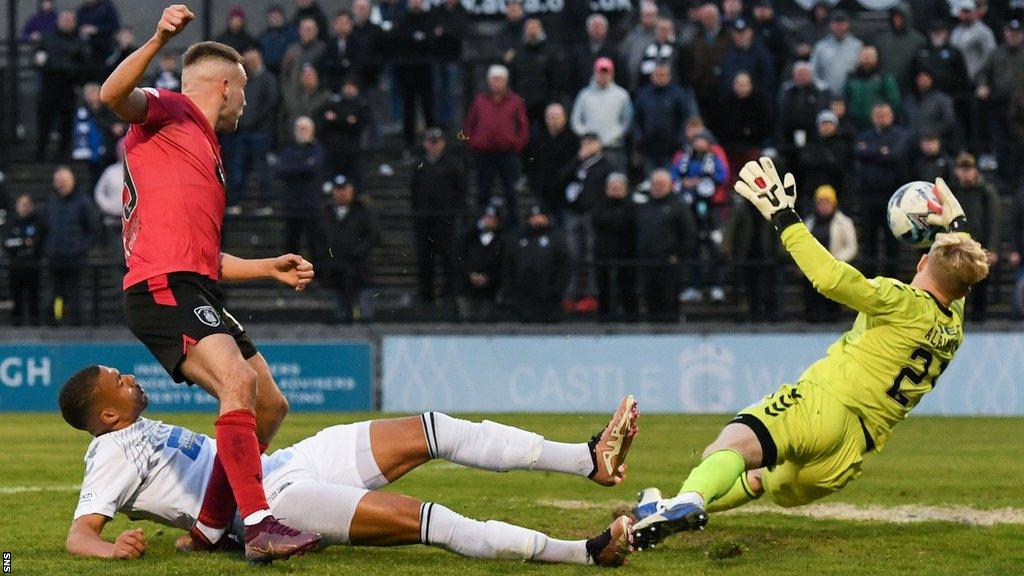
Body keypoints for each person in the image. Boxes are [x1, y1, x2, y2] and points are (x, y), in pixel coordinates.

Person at [630, 157, 990, 550]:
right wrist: (957, 229)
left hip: (826, 405)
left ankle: (689, 499)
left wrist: (784, 216)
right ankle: (671, 509)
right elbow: (959, 275)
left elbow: (830, 277)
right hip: (850, 453)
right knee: (760, 477)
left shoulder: (901, 300)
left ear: (921, 260)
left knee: (729, 447)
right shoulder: (953, 326)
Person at [99, 6, 319, 561]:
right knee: (236, 384)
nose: (245, 104)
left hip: (191, 282)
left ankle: (212, 526)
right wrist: (157, 39)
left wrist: (265, 265)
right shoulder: (171, 112)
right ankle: (261, 523)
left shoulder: (202, 149)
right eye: (243, 91)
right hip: (160, 286)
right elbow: (111, 95)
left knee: (269, 404)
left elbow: (203, 257)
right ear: (226, 85)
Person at [59, 365, 637, 566]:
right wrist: (113, 549)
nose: (130, 377)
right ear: (106, 415)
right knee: (429, 520)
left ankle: (588, 460)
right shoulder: (110, 453)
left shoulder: (133, 431)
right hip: (273, 505)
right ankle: (586, 552)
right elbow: (78, 535)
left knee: (434, 428)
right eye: (119, 380)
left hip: (285, 463)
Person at [464, 65, 530, 229]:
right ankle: (480, 224)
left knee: (511, 192)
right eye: (494, 79)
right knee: (482, 192)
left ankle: (513, 226)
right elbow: (467, 126)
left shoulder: (515, 101)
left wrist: (517, 144)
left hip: (507, 153)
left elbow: (523, 127)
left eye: (500, 79)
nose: (496, 83)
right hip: (484, 153)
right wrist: (471, 142)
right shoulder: (479, 100)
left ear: (506, 81)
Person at [411, 128, 468, 306]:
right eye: (430, 141)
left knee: (448, 258)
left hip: (445, 219)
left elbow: (462, 191)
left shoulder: (452, 165)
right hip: (425, 220)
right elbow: (414, 191)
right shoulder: (420, 165)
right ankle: (426, 297)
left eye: (436, 142)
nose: (433, 145)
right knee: (425, 259)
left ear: (443, 143)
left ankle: (448, 296)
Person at [853, 102, 908, 278]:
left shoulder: (900, 134)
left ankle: (892, 280)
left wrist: (872, 153)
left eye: (884, 114)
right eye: (878, 114)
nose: (881, 118)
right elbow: (858, 152)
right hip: (868, 197)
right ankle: (869, 280)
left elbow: (896, 155)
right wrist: (882, 152)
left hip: (892, 198)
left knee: (893, 242)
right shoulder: (864, 135)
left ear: (892, 115)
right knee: (868, 242)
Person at [559, 133, 612, 314]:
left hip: (591, 214)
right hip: (573, 212)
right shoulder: (577, 162)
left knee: (590, 256)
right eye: (585, 143)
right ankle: (569, 295)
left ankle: (590, 295)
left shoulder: (605, 165)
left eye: (591, 143)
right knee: (572, 256)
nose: (587, 147)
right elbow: (561, 178)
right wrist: (577, 160)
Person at [317, 175, 379, 324]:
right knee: (340, 314)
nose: (342, 193)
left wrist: (357, 252)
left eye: (345, 189)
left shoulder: (362, 211)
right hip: (336, 272)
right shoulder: (327, 212)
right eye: (338, 190)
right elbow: (319, 238)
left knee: (365, 315)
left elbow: (374, 236)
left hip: (360, 270)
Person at [675, 131, 728, 304]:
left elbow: (722, 175)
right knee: (693, 245)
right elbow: (674, 174)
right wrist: (685, 183)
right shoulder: (685, 157)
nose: (699, 144)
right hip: (689, 207)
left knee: (715, 245)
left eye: (702, 140)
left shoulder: (714, 158)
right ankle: (694, 286)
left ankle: (717, 286)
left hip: (711, 207)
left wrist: (701, 181)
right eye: (696, 140)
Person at [636, 169, 695, 322]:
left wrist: (678, 255)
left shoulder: (678, 206)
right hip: (647, 263)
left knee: (669, 302)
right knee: (650, 302)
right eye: (655, 184)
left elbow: (689, 235)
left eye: (662, 184)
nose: (658, 187)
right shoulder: (644, 206)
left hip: (669, 264)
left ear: (670, 185)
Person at [225, 47, 278, 214]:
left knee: (261, 168)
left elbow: (270, 104)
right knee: (238, 167)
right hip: (242, 131)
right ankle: (236, 202)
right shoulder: (244, 80)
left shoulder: (268, 79)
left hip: (260, 132)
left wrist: (252, 120)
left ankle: (265, 204)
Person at [951, 153, 1000, 322]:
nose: (965, 173)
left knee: (979, 284)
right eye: (962, 169)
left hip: (980, 246)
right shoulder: (953, 191)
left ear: (975, 170)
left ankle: (979, 318)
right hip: (958, 246)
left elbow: (994, 221)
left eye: (968, 169)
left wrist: (992, 248)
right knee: (957, 285)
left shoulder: (986, 191)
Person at [45, 166, 97, 327]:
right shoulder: (51, 202)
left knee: (76, 293)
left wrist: (82, 247)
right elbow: (44, 227)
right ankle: (55, 321)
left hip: (76, 257)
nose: (61, 184)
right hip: (55, 256)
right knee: (56, 294)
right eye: (58, 181)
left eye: (64, 181)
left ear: (72, 181)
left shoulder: (83, 201)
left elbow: (93, 228)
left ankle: (77, 323)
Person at [34, 10, 87, 161]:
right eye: (65, 19)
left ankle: (63, 154)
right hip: (49, 88)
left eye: (70, 20)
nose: (67, 22)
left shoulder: (78, 41)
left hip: (68, 89)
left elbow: (83, 65)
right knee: (45, 121)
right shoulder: (47, 38)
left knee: (66, 123)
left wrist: (55, 65)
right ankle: (40, 153)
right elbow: (38, 60)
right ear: (58, 21)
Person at [505, 204, 570, 323]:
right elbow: (510, 264)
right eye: (534, 216)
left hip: (550, 300)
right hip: (524, 299)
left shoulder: (557, 237)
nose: (537, 219)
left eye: (540, 216)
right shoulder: (519, 237)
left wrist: (555, 289)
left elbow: (565, 265)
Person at [802, 186, 857, 322]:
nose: (823, 206)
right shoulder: (808, 222)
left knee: (832, 300)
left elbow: (852, 247)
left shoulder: (844, 222)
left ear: (834, 203)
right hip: (813, 268)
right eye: (820, 202)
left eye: (827, 202)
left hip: (834, 268)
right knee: (812, 301)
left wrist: (836, 260)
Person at [570, 58, 633, 173]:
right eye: (600, 72)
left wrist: (613, 135)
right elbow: (575, 121)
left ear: (612, 73)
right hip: (589, 151)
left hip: (613, 148)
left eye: (606, 73)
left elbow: (627, 121)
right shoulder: (584, 95)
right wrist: (588, 136)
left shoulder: (622, 95)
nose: (603, 76)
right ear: (595, 73)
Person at [391, 0, 436, 154]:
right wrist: (416, 39)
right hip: (407, 73)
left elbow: (431, 40)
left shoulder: (429, 17)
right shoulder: (402, 17)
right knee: (408, 111)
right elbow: (399, 39)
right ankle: (408, 146)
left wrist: (414, 40)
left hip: (425, 71)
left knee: (428, 109)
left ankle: (433, 145)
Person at [276, 117, 326, 255]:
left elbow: (313, 168)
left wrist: (295, 168)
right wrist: (304, 166)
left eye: (305, 128)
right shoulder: (288, 150)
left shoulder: (317, 149)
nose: (302, 132)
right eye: (299, 128)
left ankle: (319, 274)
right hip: (292, 206)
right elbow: (281, 171)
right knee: (290, 243)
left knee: (315, 244)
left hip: (311, 205)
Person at [634, 64, 695, 174]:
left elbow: (686, 118)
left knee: (670, 179)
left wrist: (680, 139)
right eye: (657, 75)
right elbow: (637, 118)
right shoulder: (644, 94)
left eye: (663, 75)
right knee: (651, 179)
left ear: (669, 76)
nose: (660, 78)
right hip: (649, 147)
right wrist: (639, 138)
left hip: (671, 147)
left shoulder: (678, 94)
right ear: (652, 76)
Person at [524, 103, 578, 223]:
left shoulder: (573, 140)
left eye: (557, 116)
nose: (554, 120)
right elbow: (529, 162)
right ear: (545, 118)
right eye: (551, 116)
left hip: (564, 191)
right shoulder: (538, 140)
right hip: (543, 190)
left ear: (564, 118)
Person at [592, 173, 637, 320]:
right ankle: (604, 318)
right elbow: (598, 220)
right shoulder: (599, 204)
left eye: (619, 188)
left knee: (627, 289)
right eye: (613, 188)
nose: (616, 191)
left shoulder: (632, 206)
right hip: (604, 253)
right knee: (604, 289)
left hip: (627, 253)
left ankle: (630, 319)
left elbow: (627, 223)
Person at [317, 78, 370, 189]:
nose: (348, 89)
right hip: (336, 150)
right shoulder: (334, 104)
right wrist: (347, 120)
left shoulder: (362, 105)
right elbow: (326, 121)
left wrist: (337, 120)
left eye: (352, 86)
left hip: (354, 150)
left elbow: (359, 125)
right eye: (347, 86)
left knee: (354, 183)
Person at [2, 194, 46, 327]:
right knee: (17, 296)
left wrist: (23, 244)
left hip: (32, 266)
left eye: (26, 204)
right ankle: (17, 322)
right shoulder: (11, 223)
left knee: (33, 295)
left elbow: (36, 243)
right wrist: (23, 242)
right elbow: (7, 244)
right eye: (21, 205)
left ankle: (35, 321)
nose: (24, 208)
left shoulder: (37, 222)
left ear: (31, 206)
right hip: (15, 266)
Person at [459, 203, 506, 321]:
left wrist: (488, 278)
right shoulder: (469, 236)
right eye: (486, 217)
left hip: (490, 291)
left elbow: (503, 266)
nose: (488, 221)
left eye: (492, 218)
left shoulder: (502, 241)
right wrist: (470, 274)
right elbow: (459, 259)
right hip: (467, 288)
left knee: (485, 321)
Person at [843, 45, 901, 130]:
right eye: (865, 56)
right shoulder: (852, 78)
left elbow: (894, 100)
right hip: (855, 125)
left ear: (876, 58)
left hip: (878, 126)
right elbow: (846, 98)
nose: (867, 60)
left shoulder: (884, 77)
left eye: (870, 57)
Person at [810, 9, 863, 98]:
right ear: (831, 25)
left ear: (847, 24)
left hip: (851, 95)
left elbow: (863, 70)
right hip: (826, 95)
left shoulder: (857, 45)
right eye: (836, 23)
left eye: (842, 23)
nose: (839, 26)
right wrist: (821, 86)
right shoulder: (821, 46)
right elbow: (812, 69)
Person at [875, 5, 927, 95]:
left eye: (900, 17)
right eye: (895, 17)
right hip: (885, 88)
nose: (897, 20)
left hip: (909, 90)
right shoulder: (882, 39)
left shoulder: (918, 40)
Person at [257, 5, 296, 77]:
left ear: (282, 17)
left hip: (287, 70)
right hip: (268, 71)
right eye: (272, 17)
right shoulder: (263, 36)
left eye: (277, 16)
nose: (274, 19)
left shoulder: (292, 34)